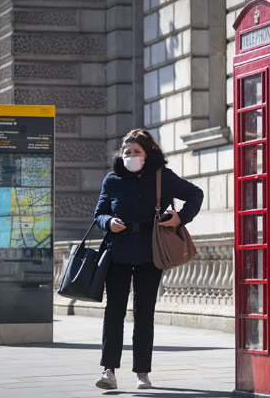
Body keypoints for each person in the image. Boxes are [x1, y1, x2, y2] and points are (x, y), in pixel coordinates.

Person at [93, 128, 203, 390]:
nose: (131, 156)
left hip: (150, 253)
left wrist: (180, 217)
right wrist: (109, 222)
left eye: (136, 152)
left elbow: (195, 193)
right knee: (114, 311)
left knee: (144, 313)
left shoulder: (162, 176)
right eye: (127, 152)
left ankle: (142, 372)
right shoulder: (112, 180)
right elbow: (99, 213)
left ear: (147, 153)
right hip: (117, 253)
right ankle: (109, 370)